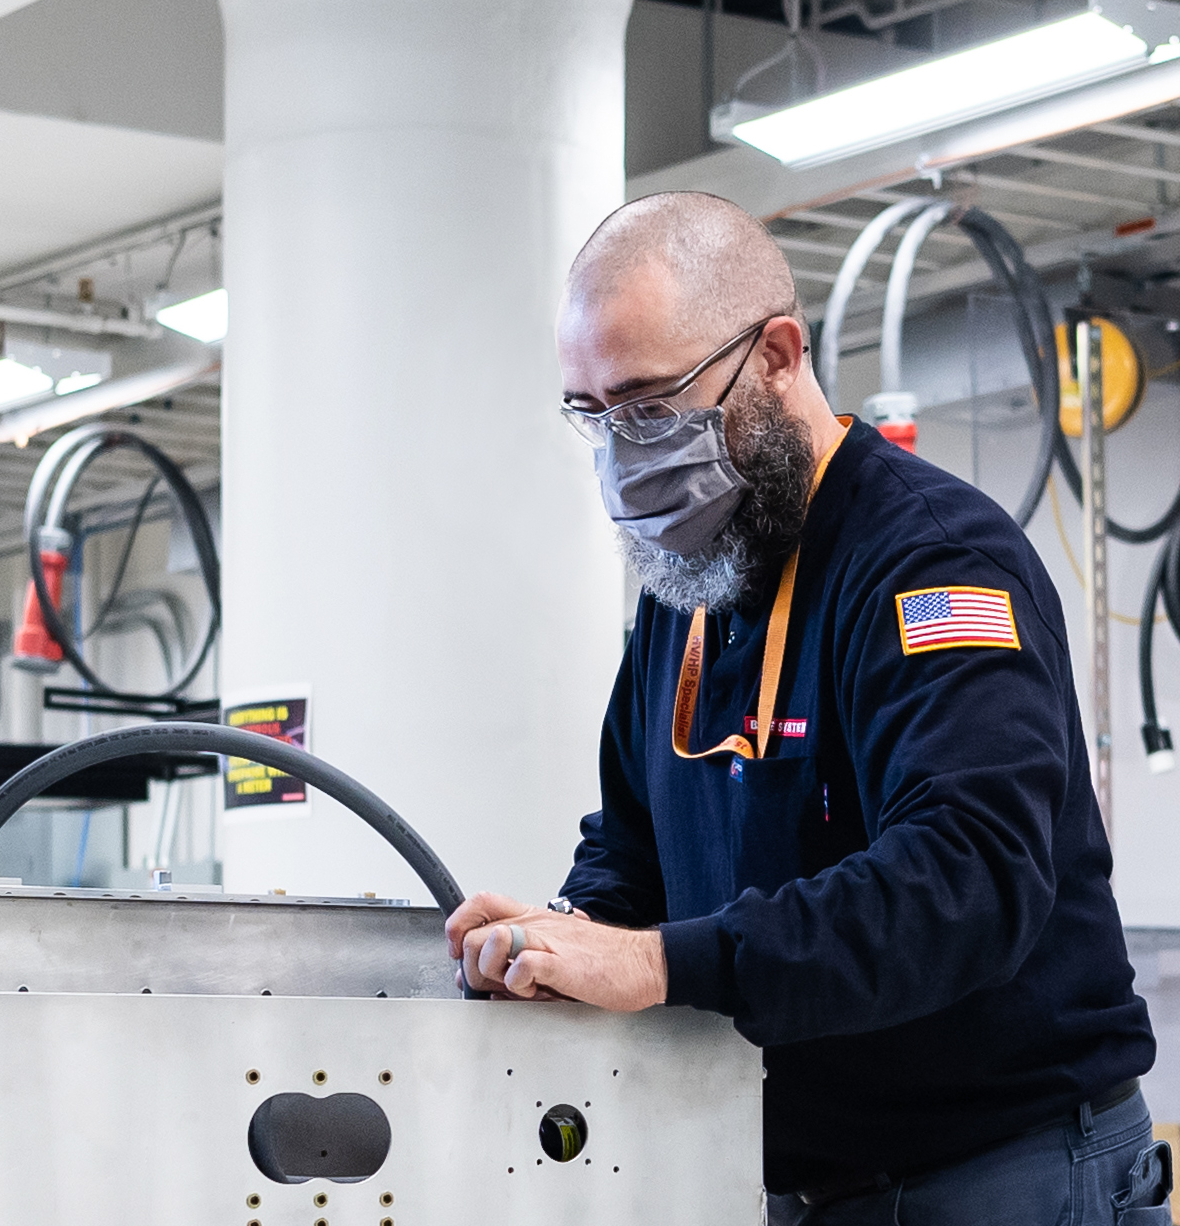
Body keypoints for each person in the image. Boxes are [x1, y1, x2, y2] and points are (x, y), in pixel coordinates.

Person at [446, 191, 1169, 1224]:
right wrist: (564, 942)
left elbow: (964, 880)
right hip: (777, 1177)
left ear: (777, 355)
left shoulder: (930, 569)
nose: (621, 452)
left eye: (651, 406)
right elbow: (631, 844)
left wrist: (658, 963)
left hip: (999, 1172)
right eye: (591, 414)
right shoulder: (684, 585)